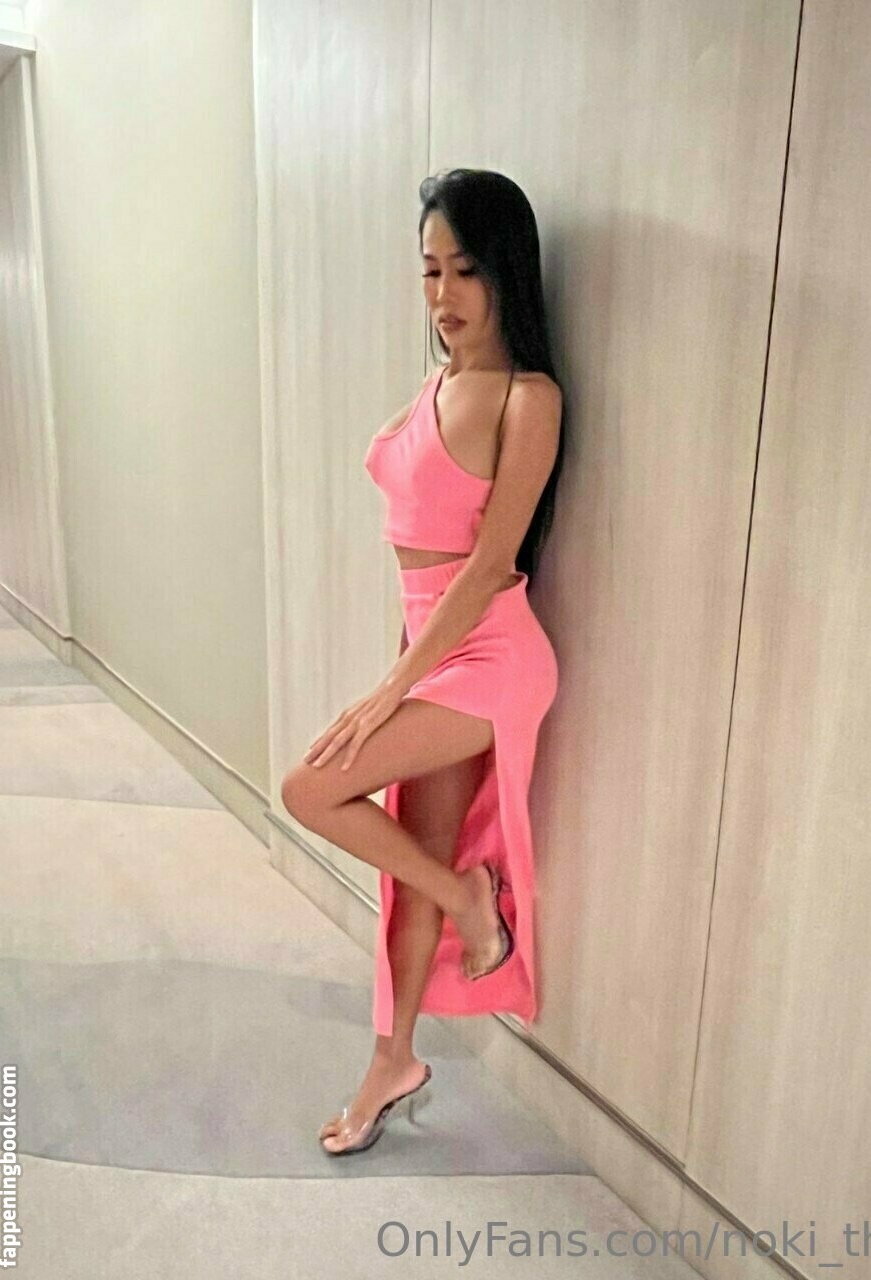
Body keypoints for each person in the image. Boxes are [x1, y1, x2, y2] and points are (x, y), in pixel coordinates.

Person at [280, 168, 566, 1155]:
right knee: (415, 867)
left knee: (308, 787)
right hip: (434, 655)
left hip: (497, 656)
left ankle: (466, 898)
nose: (445, 294)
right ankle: (392, 1059)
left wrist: (388, 692)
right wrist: (402, 671)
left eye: (466, 269)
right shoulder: (436, 387)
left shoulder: (529, 398)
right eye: (430, 270)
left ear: (508, 272)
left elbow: (487, 567)